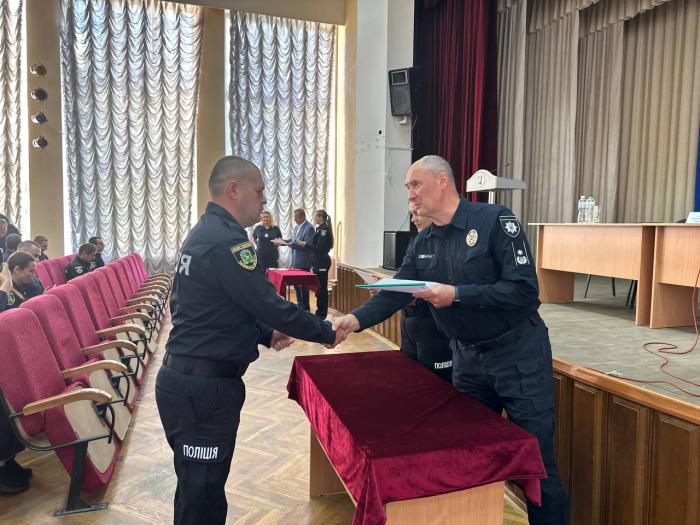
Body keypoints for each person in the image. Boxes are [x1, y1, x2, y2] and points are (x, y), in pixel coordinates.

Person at [333, 155, 569, 525]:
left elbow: (524, 290)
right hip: (468, 363)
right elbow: (396, 291)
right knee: (466, 456)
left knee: (537, 464)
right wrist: (353, 320)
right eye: (408, 187)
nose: (410, 194)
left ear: (442, 181)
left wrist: (457, 295)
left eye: (416, 184)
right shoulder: (423, 242)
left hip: (517, 356)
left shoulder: (494, 221)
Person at [155, 156, 339, 525]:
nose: (264, 199)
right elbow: (267, 303)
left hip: (193, 382)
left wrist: (264, 333)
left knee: (201, 489)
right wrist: (326, 331)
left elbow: (212, 305)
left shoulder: (204, 231)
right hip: (203, 390)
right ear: (233, 190)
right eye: (259, 190)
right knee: (201, 496)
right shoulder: (226, 241)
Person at [399, 210, 452, 382]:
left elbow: (449, 288)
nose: (413, 219)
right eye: (411, 214)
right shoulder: (416, 242)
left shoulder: (451, 244)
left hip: (434, 329)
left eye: (417, 214)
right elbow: (405, 276)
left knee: (435, 382)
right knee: (411, 379)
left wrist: (414, 295)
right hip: (410, 324)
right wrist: (388, 290)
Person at [274, 209, 314, 310]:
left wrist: (293, 245)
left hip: (304, 262)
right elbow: (292, 240)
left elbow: (308, 245)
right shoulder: (296, 227)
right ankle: (300, 305)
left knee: (303, 286)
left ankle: (306, 308)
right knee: (297, 285)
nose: (294, 219)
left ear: (302, 217)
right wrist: (281, 242)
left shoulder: (309, 228)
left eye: (296, 217)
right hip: (296, 261)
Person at [303, 210, 334, 319]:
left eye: (315, 216)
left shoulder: (323, 230)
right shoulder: (320, 229)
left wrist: (306, 244)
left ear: (321, 217)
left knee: (322, 288)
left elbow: (320, 249)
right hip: (318, 261)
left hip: (322, 262)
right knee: (319, 287)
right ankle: (319, 311)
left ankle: (322, 313)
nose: (314, 218)